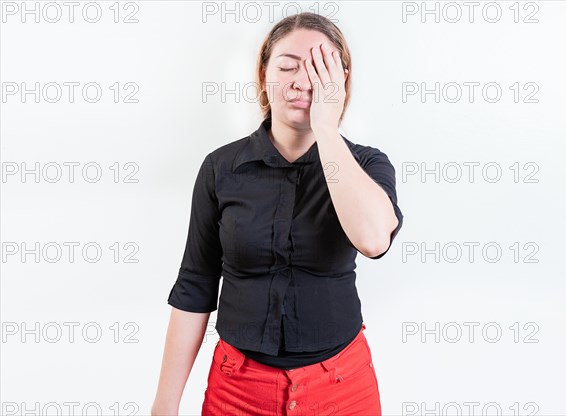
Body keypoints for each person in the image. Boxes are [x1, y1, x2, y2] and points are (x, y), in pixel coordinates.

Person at [152, 12, 403, 416]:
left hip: (342, 386)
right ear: (264, 74)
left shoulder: (367, 165)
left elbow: (374, 240)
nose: (302, 82)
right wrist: (164, 405)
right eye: (287, 67)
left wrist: (326, 127)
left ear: (341, 81)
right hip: (237, 389)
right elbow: (195, 285)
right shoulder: (221, 168)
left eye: (321, 72)